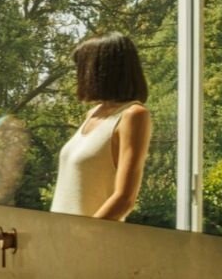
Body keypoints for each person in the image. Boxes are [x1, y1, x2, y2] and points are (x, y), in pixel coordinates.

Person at [48, 32, 153, 221]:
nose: (78, 77)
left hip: (91, 243)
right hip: (60, 238)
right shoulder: (93, 113)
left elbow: (125, 198)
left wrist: (85, 236)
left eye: (81, 69)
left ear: (99, 70)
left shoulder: (133, 115)